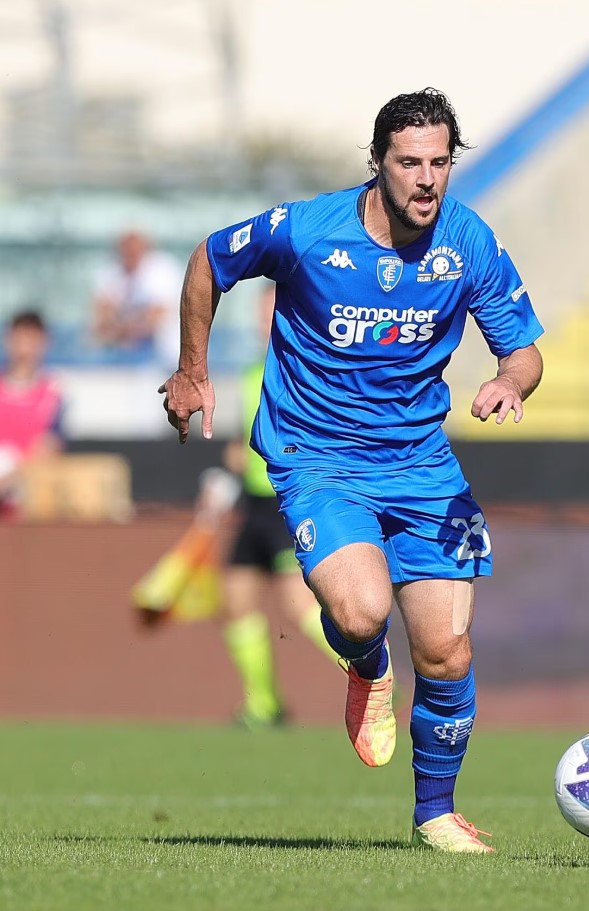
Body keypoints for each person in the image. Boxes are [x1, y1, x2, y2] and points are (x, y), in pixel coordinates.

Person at [159, 88, 544, 854]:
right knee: (365, 612)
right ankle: (366, 664)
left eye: (440, 162)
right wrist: (191, 368)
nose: (427, 179)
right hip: (319, 459)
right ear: (379, 164)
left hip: (423, 468)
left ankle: (435, 813)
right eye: (410, 163)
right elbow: (210, 257)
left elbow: (524, 349)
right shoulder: (308, 230)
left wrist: (511, 381)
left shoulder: (468, 242)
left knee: (447, 651)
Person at [220, 283, 339, 728]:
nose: (263, 319)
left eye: (271, 309)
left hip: (289, 500)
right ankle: (263, 703)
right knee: (234, 599)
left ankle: (373, 673)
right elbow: (243, 441)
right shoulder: (252, 372)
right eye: (260, 311)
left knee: (297, 602)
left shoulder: (306, 369)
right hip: (252, 502)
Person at [90, 229, 183, 369]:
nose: (129, 255)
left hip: (166, 358)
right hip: (122, 360)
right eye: (125, 250)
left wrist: (118, 329)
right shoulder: (111, 270)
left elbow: (155, 318)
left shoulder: (162, 269)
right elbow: (100, 319)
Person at [0, 310, 62, 518]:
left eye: (32, 338)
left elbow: (49, 446)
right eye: (20, 336)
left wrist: (9, 481)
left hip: (25, 497)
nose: (25, 345)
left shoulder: (53, 393)